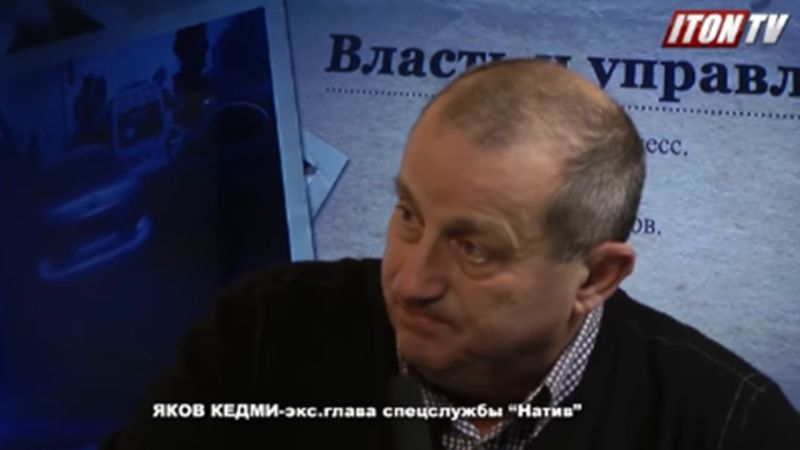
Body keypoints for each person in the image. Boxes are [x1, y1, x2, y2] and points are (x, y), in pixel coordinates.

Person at [103, 59, 800, 449]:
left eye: (474, 250)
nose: (409, 283)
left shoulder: (730, 426)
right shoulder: (259, 333)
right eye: (409, 215)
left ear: (595, 275)